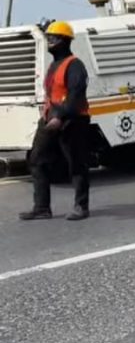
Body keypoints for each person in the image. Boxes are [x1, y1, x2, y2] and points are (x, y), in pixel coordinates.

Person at [19, 21, 91, 221]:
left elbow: (76, 96)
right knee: (36, 160)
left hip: (73, 121)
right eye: (48, 37)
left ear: (65, 41)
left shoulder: (75, 65)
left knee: (76, 164)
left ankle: (81, 206)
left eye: (54, 37)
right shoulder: (53, 65)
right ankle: (41, 208)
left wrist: (60, 117)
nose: (49, 41)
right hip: (50, 119)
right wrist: (49, 116)